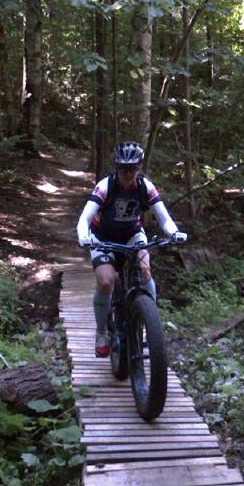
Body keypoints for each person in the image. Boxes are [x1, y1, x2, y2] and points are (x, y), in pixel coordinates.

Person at [76, 141, 187, 356]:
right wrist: (84, 236)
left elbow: (164, 218)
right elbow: (85, 218)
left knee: (145, 270)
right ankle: (101, 332)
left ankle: (148, 322)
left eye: (132, 168)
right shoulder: (105, 186)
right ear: (116, 167)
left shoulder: (146, 187)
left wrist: (174, 233)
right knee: (106, 280)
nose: (127, 173)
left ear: (140, 167)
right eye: (123, 168)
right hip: (103, 237)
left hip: (132, 234)